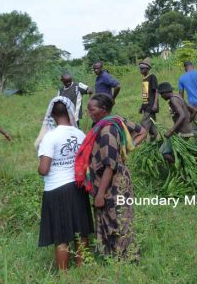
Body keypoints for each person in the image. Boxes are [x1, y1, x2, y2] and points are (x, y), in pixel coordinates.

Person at [75, 93, 146, 259]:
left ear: (103, 109)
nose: (89, 113)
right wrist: (124, 149)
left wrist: (100, 194)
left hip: (112, 183)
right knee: (112, 215)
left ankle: (125, 257)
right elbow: (141, 131)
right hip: (112, 179)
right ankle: (113, 255)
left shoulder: (107, 130)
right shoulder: (115, 120)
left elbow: (110, 165)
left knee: (116, 217)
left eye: (91, 110)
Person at [37, 97, 93, 271]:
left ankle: (64, 274)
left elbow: (44, 169)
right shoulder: (79, 134)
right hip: (78, 187)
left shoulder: (50, 137)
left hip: (57, 190)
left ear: (52, 115)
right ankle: (81, 267)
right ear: (70, 113)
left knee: (61, 235)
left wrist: (39, 168)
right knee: (81, 230)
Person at [158, 82, 195, 163]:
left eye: (161, 94)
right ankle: (181, 165)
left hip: (181, 132)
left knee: (164, 152)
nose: (161, 97)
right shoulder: (178, 96)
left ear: (165, 92)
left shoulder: (173, 99)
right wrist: (188, 122)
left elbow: (182, 115)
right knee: (177, 152)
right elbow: (193, 110)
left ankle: (180, 166)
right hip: (186, 131)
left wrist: (171, 130)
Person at [138, 58, 159, 140]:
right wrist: (142, 106)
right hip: (146, 105)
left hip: (150, 105)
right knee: (152, 125)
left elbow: (156, 90)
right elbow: (146, 94)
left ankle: (142, 142)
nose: (140, 70)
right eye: (140, 69)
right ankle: (154, 141)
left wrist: (155, 104)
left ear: (147, 69)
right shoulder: (144, 79)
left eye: (142, 69)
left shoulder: (152, 77)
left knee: (144, 124)